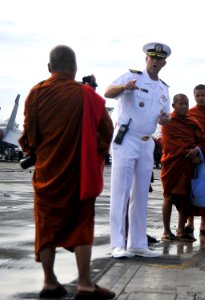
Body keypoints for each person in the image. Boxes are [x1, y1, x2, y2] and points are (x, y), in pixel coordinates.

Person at [18, 45, 115, 299]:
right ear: (74, 68)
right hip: (78, 173)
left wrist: (37, 152)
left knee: (46, 228)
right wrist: (95, 149)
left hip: (46, 174)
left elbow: (29, 136)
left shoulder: (36, 93)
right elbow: (107, 130)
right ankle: (85, 283)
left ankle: (49, 282)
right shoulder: (87, 95)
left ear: (49, 68)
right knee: (82, 225)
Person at [105, 42, 171, 259]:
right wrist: (125, 88)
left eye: (158, 59)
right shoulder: (131, 76)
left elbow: (166, 116)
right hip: (127, 138)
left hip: (146, 142)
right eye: (151, 58)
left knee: (140, 194)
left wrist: (164, 120)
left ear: (163, 63)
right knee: (120, 192)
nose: (154, 62)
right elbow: (108, 92)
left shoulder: (163, 88)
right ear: (146, 60)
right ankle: (117, 244)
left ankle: (138, 244)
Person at [160, 94, 205, 241]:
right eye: (180, 104)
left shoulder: (192, 122)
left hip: (188, 166)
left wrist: (197, 150)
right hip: (172, 164)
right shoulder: (168, 121)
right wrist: (189, 152)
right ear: (174, 105)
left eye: (186, 104)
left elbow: (204, 142)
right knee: (168, 196)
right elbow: (169, 143)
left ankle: (181, 230)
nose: (184, 106)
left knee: (185, 197)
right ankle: (166, 231)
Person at [184, 84, 205, 239]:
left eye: (203, 95)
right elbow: (186, 135)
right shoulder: (189, 114)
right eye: (197, 95)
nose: (200, 98)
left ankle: (203, 224)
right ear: (194, 96)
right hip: (194, 155)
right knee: (192, 188)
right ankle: (189, 222)